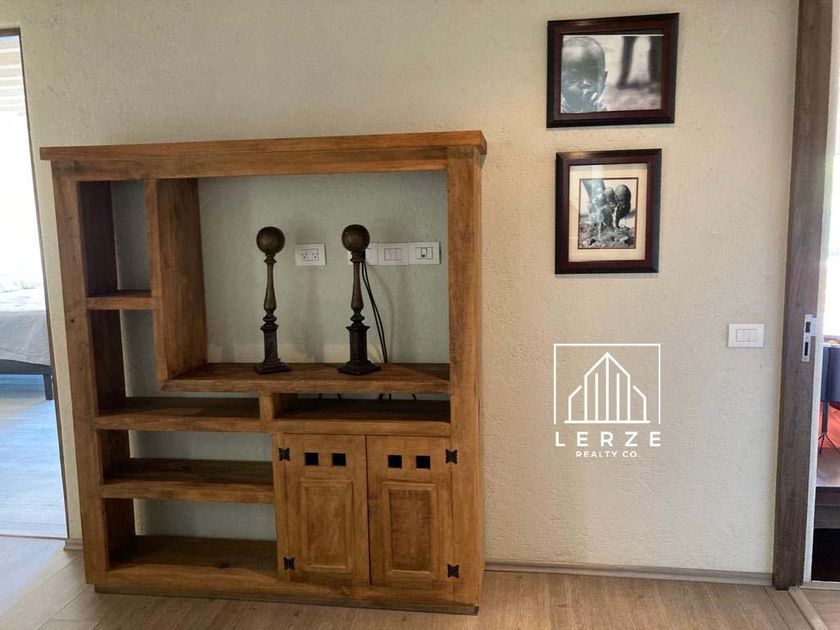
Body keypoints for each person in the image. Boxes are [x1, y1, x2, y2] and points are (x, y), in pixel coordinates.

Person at [560, 35, 608, 113]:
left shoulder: (602, 110)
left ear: (604, 79)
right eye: (574, 78)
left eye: (593, 76)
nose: (585, 83)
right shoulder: (557, 111)